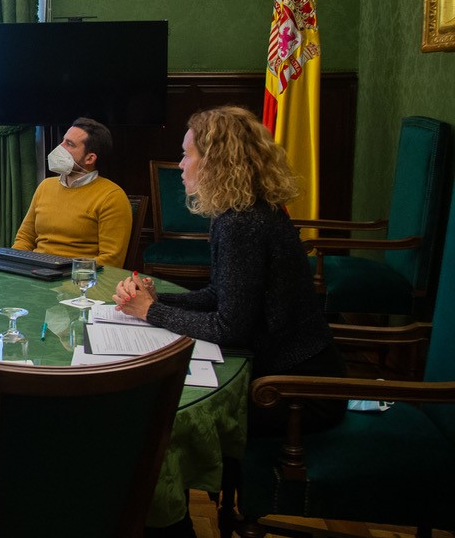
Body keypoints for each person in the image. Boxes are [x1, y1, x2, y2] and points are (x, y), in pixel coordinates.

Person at [112, 106, 344, 434]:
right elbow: (220, 295)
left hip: (297, 392)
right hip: (286, 373)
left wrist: (151, 312)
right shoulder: (238, 212)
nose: (180, 165)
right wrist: (156, 300)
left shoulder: (242, 223)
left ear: (214, 161)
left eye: (186, 155)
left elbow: (229, 329)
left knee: (154, 417)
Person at [13, 117, 132, 267]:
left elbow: (111, 260)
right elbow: (24, 238)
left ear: (89, 158)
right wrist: (15, 266)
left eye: (69, 144)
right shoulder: (45, 186)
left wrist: (63, 273)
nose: (60, 147)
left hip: (76, 280)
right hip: (35, 274)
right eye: (63, 141)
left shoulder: (112, 197)